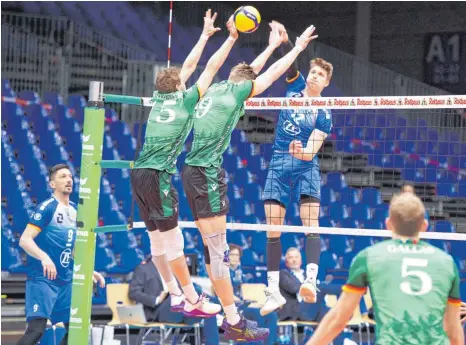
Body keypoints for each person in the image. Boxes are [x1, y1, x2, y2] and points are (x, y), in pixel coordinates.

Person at [181, 18, 318, 340]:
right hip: (207, 175)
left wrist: (268, 45)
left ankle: (230, 317)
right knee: (218, 252)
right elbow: (266, 76)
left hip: (192, 172)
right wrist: (295, 48)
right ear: (245, 86)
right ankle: (232, 322)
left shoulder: (217, 87)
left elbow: (245, 71)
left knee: (215, 250)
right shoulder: (238, 93)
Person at [130, 9, 237, 318]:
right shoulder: (187, 100)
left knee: (156, 240)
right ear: (179, 87)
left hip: (138, 172)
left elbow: (187, 68)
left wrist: (204, 34)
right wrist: (229, 39)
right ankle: (192, 298)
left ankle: (175, 294)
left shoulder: (159, 98)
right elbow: (211, 67)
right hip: (159, 174)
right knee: (174, 241)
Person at [306, 192, 464, 345]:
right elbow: (453, 330)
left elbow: (338, 320)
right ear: (424, 226)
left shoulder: (370, 256)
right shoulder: (447, 263)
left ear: (388, 224)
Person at [261, 21, 334, 316]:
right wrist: (284, 39)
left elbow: (311, 151)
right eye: (313, 71)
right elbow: (290, 58)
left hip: (306, 166)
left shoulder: (326, 114)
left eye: (320, 75)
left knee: (310, 223)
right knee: (272, 228)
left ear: (326, 83)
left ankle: (312, 280)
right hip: (279, 160)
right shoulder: (294, 87)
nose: (315, 76)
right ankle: (272, 291)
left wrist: (301, 151)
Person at [16, 164, 106, 345]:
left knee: (76, 330)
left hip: (65, 281)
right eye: (63, 177)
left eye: (70, 177)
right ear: (52, 184)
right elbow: (25, 240)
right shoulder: (47, 207)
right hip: (43, 280)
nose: (69, 180)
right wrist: (44, 257)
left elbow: (72, 248)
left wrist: (89, 270)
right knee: (36, 331)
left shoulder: (76, 210)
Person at [128, 255, 219, 345]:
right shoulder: (143, 269)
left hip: (180, 310)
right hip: (157, 310)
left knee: (209, 309)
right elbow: (133, 292)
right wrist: (157, 299)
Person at [223, 244, 278, 345]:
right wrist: (243, 302)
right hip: (232, 305)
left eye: (237, 255)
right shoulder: (222, 273)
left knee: (272, 315)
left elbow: (252, 290)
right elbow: (224, 293)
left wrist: (257, 301)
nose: (235, 257)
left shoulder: (244, 273)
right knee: (255, 313)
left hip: (247, 303)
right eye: (232, 255)